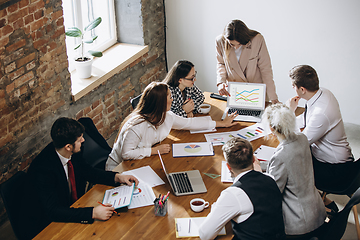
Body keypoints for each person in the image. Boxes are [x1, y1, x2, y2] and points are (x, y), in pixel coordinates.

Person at [27, 117, 139, 235]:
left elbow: (87, 171)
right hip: (50, 223)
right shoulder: (43, 170)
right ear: (68, 147)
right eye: (80, 139)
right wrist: (92, 213)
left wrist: (116, 177)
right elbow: (53, 210)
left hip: (74, 207)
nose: (83, 140)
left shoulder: (72, 152)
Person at [106, 82, 237, 170]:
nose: (172, 99)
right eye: (169, 97)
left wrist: (222, 124)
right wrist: (154, 150)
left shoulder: (166, 115)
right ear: (160, 102)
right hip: (119, 168)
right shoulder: (136, 126)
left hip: (143, 162)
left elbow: (190, 123)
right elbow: (126, 154)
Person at [287, 65, 357, 211]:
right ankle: (320, 198)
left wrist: (290, 112)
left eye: (293, 85)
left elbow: (299, 143)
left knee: (290, 168)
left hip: (336, 171)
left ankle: (322, 203)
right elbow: (307, 120)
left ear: (302, 90)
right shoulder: (323, 93)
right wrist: (290, 118)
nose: (292, 88)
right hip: (335, 158)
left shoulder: (321, 113)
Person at [260, 103, 326, 238]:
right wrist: (265, 166)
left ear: (272, 128)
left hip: (299, 223)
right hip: (317, 212)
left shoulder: (280, 156)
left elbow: (272, 193)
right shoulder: (302, 138)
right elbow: (291, 165)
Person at [198, 137, 285, 240]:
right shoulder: (270, 179)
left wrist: (217, 208)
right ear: (253, 159)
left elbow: (205, 235)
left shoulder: (234, 194)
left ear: (228, 167)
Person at [216, 19, 279, 103]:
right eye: (232, 44)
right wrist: (220, 83)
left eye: (239, 44)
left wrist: (273, 98)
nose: (236, 47)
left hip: (255, 92)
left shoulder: (257, 39)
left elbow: (266, 70)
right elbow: (221, 63)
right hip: (235, 92)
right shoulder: (220, 41)